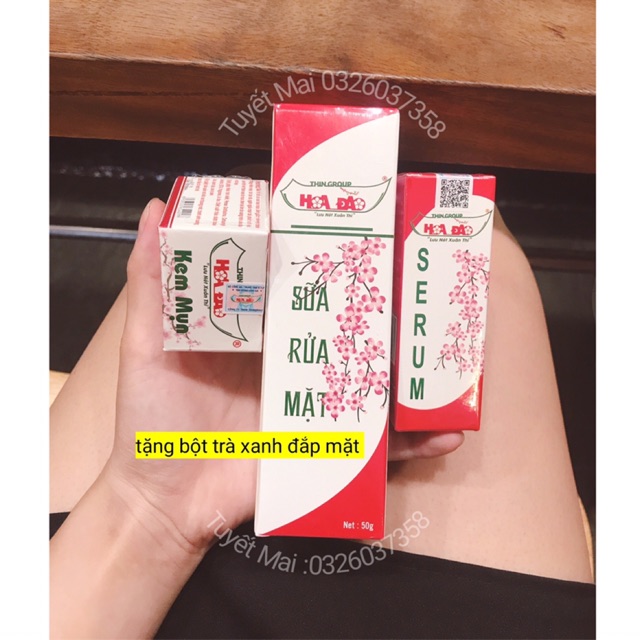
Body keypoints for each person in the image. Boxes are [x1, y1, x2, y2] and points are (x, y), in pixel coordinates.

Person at [50, 198, 595, 639]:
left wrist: (151, 506)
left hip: (111, 578)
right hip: (449, 613)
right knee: (478, 236)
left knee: (268, 192)